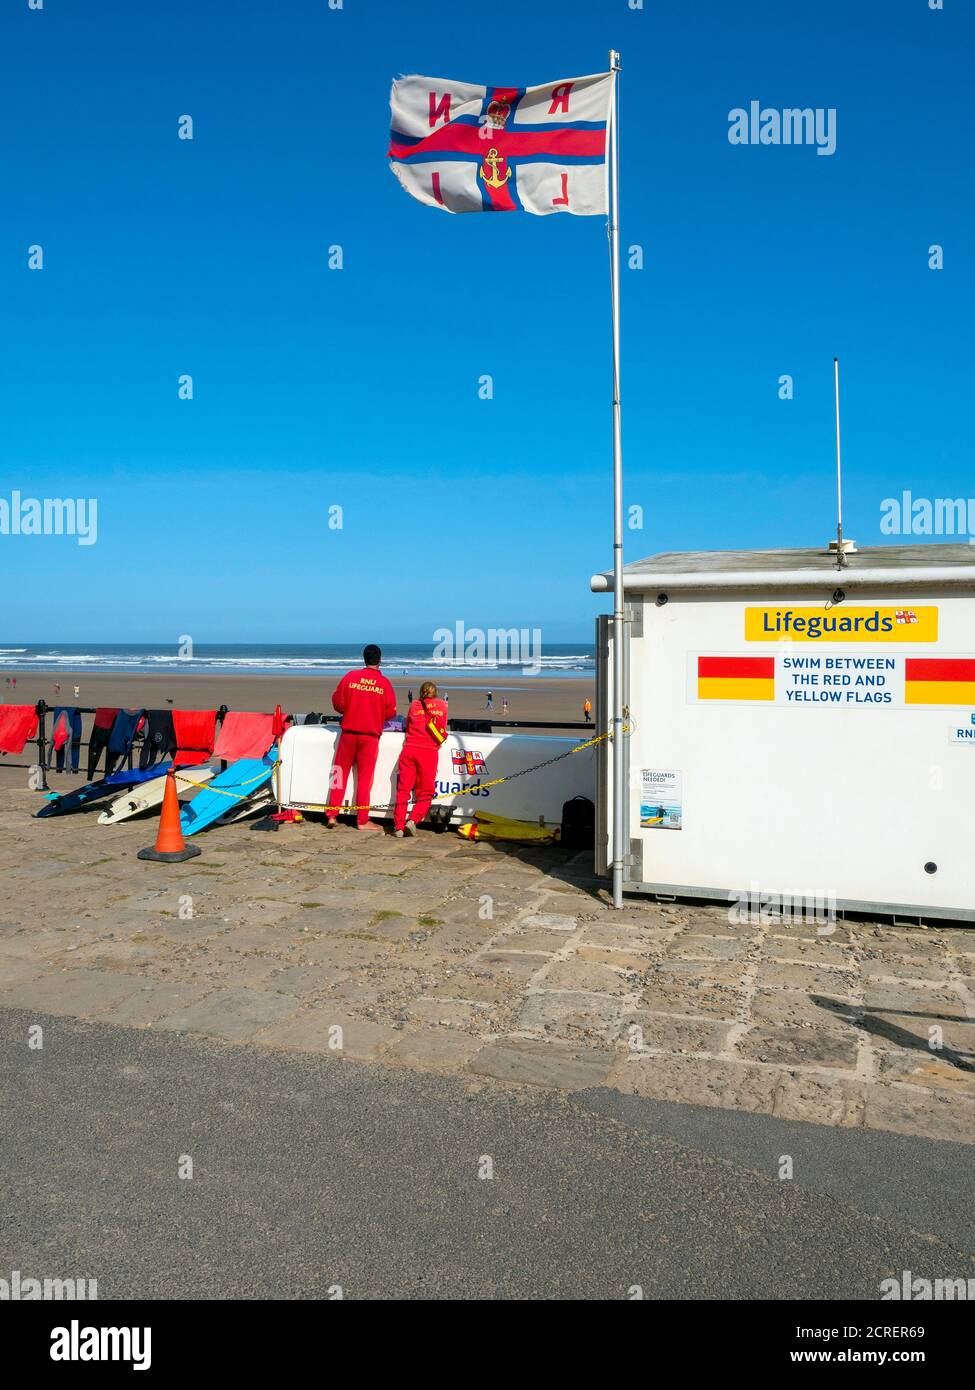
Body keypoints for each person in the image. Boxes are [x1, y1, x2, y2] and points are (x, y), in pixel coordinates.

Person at [324, 644, 396, 831]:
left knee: (338, 773)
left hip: (348, 734)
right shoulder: (384, 684)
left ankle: (332, 814)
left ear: (364, 658)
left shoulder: (350, 677)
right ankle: (362, 820)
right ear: (380, 660)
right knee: (365, 779)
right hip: (370, 737)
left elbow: (338, 703)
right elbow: (390, 712)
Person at [393, 681, 448, 838]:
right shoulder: (442, 706)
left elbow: (408, 725)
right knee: (426, 792)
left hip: (409, 749)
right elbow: (443, 727)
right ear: (435, 693)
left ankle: (398, 826)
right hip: (428, 752)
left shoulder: (415, 705)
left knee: (403, 790)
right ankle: (413, 821)